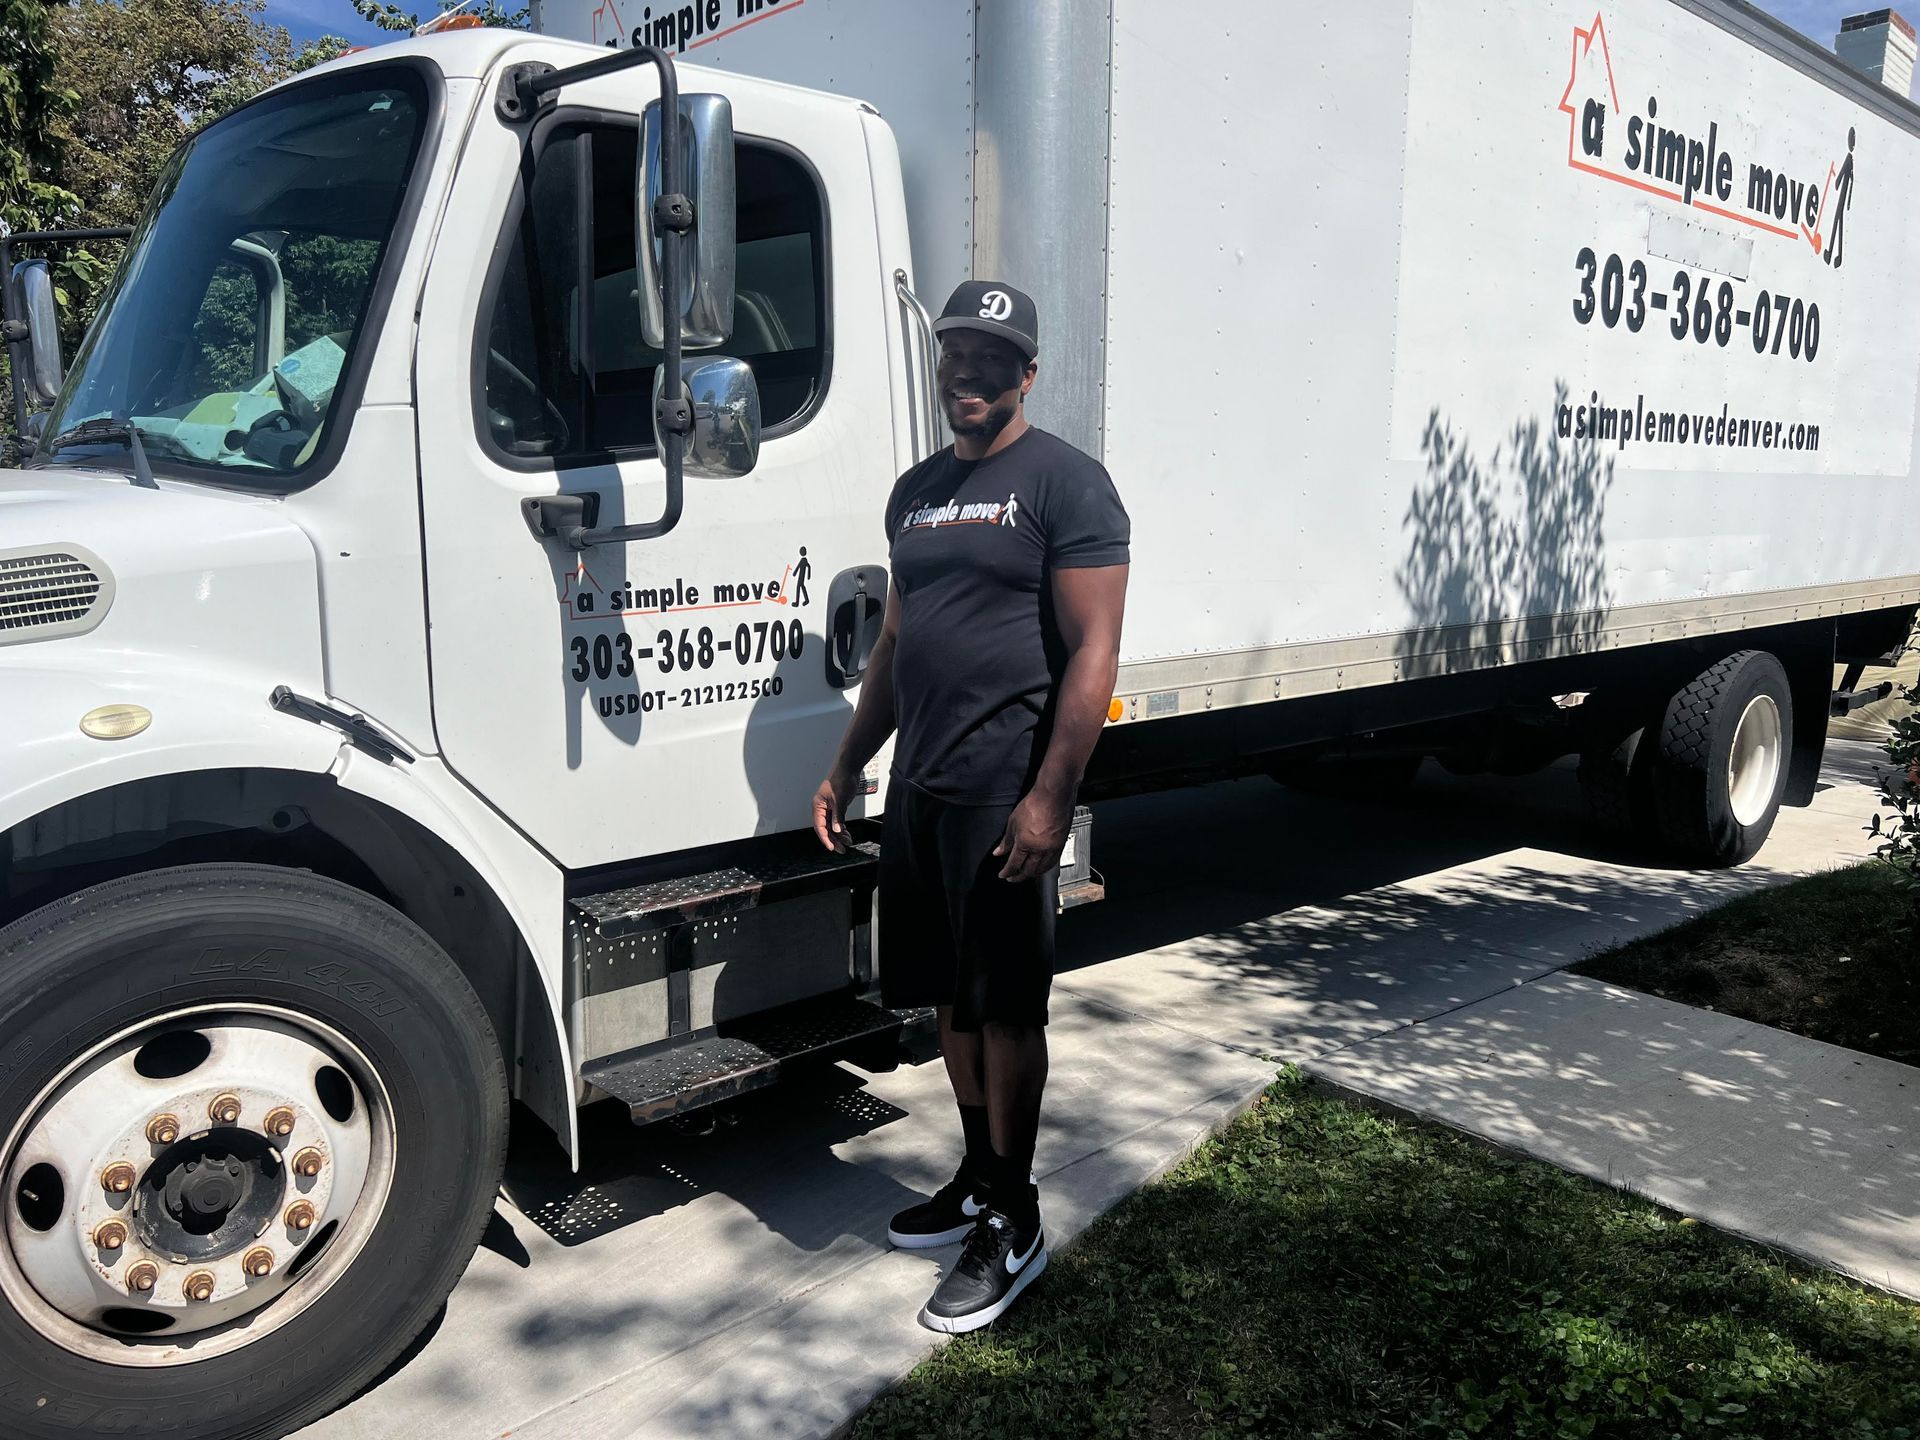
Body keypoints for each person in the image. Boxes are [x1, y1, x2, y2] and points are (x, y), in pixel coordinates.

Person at [812, 281, 1129, 1333]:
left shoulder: (1068, 487)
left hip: (1006, 787)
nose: (972, 375)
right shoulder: (915, 493)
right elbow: (898, 645)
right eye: (958, 356)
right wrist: (849, 760)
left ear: (1027, 373)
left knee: (1006, 1007)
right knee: (945, 999)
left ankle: (1018, 1217)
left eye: (995, 359)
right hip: (922, 786)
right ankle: (980, 1176)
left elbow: (1094, 654)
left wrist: (1050, 800)